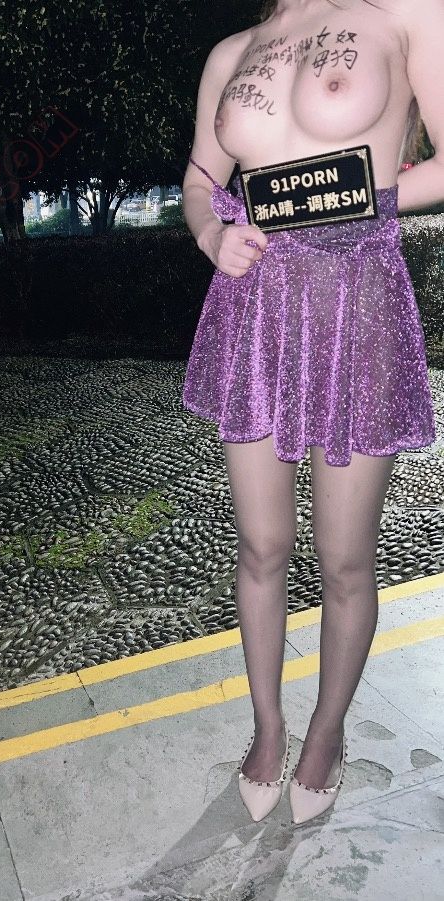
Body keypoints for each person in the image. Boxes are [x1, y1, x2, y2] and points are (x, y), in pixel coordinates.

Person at [181, 0, 442, 825]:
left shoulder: (407, 14)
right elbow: (200, 180)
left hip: (356, 302)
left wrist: (355, 202)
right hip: (254, 312)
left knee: (344, 558)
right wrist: (210, 235)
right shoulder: (232, 52)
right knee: (260, 544)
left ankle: (325, 733)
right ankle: (268, 726)